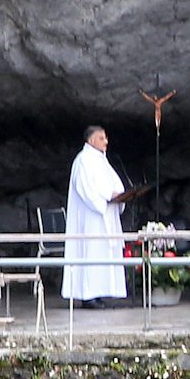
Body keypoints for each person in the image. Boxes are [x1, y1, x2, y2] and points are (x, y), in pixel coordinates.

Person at [64, 125, 128, 308]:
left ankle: (99, 293)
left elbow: (116, 185)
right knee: (90, 252)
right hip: (91, 219)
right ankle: (87, 295)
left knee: (103, 253)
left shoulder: (101, 160)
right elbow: (86, 190)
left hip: (106, 217)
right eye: (101, 138)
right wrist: (108, 198)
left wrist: (120, 197)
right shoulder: (83, 160)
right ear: (91, 140)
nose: (106, 141)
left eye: (106, 138)